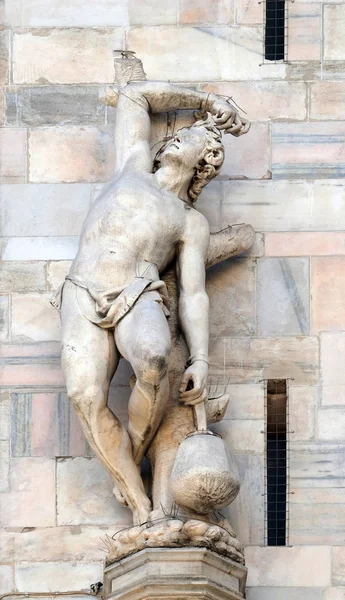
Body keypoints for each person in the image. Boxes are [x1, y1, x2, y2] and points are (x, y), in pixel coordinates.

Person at [55, 81, 249, 525]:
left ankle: (137, 449)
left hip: (138, 289)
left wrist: (199, 358)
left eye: (194, 135)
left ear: (206, 162)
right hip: (82, 288)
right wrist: (204, 100)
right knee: (83, 396)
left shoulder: (189, 221)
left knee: (155, 357)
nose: (176, 136)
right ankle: (139, 503)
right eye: (178, 132)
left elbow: (195, 294)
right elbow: (134, 96)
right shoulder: (133, 167)